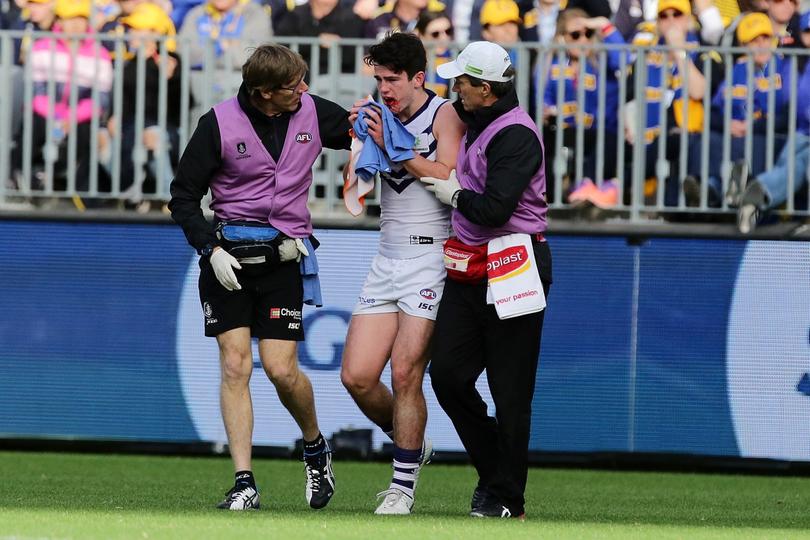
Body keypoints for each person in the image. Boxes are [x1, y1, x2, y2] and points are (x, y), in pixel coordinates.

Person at [168, 43, 352, 511]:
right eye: (293, 86)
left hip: (282, 259)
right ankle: (244, 481)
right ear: (264, 92)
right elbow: (183, 196)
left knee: (281, 369)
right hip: (227, 260)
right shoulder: (218, 123)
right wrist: (209, 249)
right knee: (235, 365)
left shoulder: (311, 110)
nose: (304, 91)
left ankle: (315, 448)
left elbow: (363, 133)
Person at [421, 40, 552, 519]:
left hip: (515, 262)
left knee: (510, 393)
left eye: (463, 82)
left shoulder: (516, 135)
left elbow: (496, 209)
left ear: (486, 89)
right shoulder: (480, 116)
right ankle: (497, 476)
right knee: (449, 377)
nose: (455, 88)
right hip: (473, 264)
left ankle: (505, 498)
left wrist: (454, 195)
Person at [339, 31, 465, 515]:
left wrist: (392, 147)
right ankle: (410, 440)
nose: (385, 89)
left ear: (419, 77)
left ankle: (402, 486)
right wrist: (359, 133)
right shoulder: (378, 113)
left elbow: (447, 175)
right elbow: (362, 161)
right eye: (379, 79)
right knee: (356, 377)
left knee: (407, 372)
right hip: (386, 255)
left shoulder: (445, 114)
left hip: (432, 255)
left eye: (393, 80)